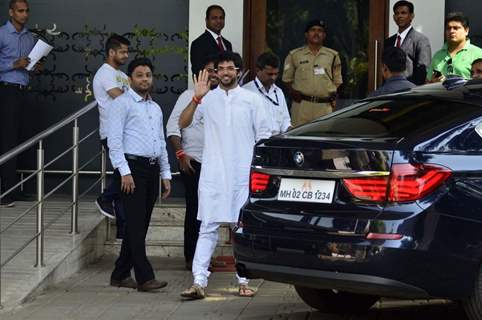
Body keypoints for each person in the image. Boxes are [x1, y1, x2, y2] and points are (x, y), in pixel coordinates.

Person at [179, 52, 270, 299]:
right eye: (221, 68)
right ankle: (198, 282)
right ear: (215, 73)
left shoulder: (252, 100)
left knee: (240, 228)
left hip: (243, 174)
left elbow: (264, 137)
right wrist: (196, 98)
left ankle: (243, 280)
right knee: (207, 226)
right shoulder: (206, 100)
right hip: (213, 173)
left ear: (239, 71)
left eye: (231, 68)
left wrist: (258, 173)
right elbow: (183, 122)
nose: (226, 72)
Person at [107, 57, 171, 292]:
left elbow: (161, 142)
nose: (145, 79)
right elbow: (114, 142)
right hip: (131, 169)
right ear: (130, 78)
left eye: (148, 75)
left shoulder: (155, 108)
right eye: (140, 75)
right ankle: (144, 278)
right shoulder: (121, 104)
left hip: (152, 169)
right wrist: (124, 172)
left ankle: (120, 273)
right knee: (134, 225)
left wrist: (165, 173)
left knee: (140, 225)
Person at [166, 55, 219, 271]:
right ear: (199, 75)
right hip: (193, 163)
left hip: (216, 165)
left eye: (216, 70)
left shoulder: (222, 98)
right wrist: (180, 153)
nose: (214, 74)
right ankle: (191, 258)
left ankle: (204, 257)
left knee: (211, 213)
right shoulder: (187, 96)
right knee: (195, 210)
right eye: (209, 70)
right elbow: (173, 127)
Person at [0, 0, 37, 207]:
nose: (25, 14)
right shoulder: (2, 34)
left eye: (27, 11)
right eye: (20, 11)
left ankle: (15, 188)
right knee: (7, 139)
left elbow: (28, 65)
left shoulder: (29, 36)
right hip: (6, 91)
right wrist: (14, 63)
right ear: (11, 12)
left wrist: (34, 66)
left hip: (23, 91)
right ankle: (5, 192)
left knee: (21, 139)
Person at [93, 34, 129, 239]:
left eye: (126, 51)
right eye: (122, 51)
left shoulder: (123, 75)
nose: (126, 55)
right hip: (111, 133)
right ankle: (105, 198)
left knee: (126, 181)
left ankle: (123, 230)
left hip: (126, 133)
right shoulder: (105, 73)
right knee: (123, 175)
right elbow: (123, 97)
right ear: (111, 52)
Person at [282, 20, 342, 127]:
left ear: (324, 35)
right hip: (302, 106)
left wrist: (330, 94)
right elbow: (287, 79)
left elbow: (337, 81)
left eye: (320, 31)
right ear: (306, 34)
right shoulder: (294, 55)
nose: (316, 33)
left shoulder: (333, 56)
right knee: (299, 139)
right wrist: (292, 91)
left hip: (324, 107)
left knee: (323, 140)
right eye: (313, 30)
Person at [243, 52, 291, 136]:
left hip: (277, 142)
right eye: (269, 74)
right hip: (257, 142)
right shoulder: (246, 91)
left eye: (276, 74)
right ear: (258, 70)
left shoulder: (278, 92)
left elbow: (285, 120)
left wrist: (291, 130)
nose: (273, 78)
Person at [384, 0, 431, 85]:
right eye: (397, 13)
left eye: (403, 13)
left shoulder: (421, 40)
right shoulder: (388, 42)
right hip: (389, 90)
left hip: (409, 92)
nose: (400, 16)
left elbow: (422, 72)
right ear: (394, 17)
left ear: (411, 16)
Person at [428, 12, 482, 81]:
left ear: (466, 31)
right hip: (440, 91)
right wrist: (432, 82)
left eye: (456, 28)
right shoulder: (438, 55)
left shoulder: (478, 54)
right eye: (448, 28)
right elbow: (427, 82)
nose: (451, 31)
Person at [190, 5, 232, 76]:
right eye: (214, 18)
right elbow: (198, 72)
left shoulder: (227, 44)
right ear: (206, 20)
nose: (218, 21)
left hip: (227, 86)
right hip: (209, 86)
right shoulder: (198, 43)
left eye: (221, 18)